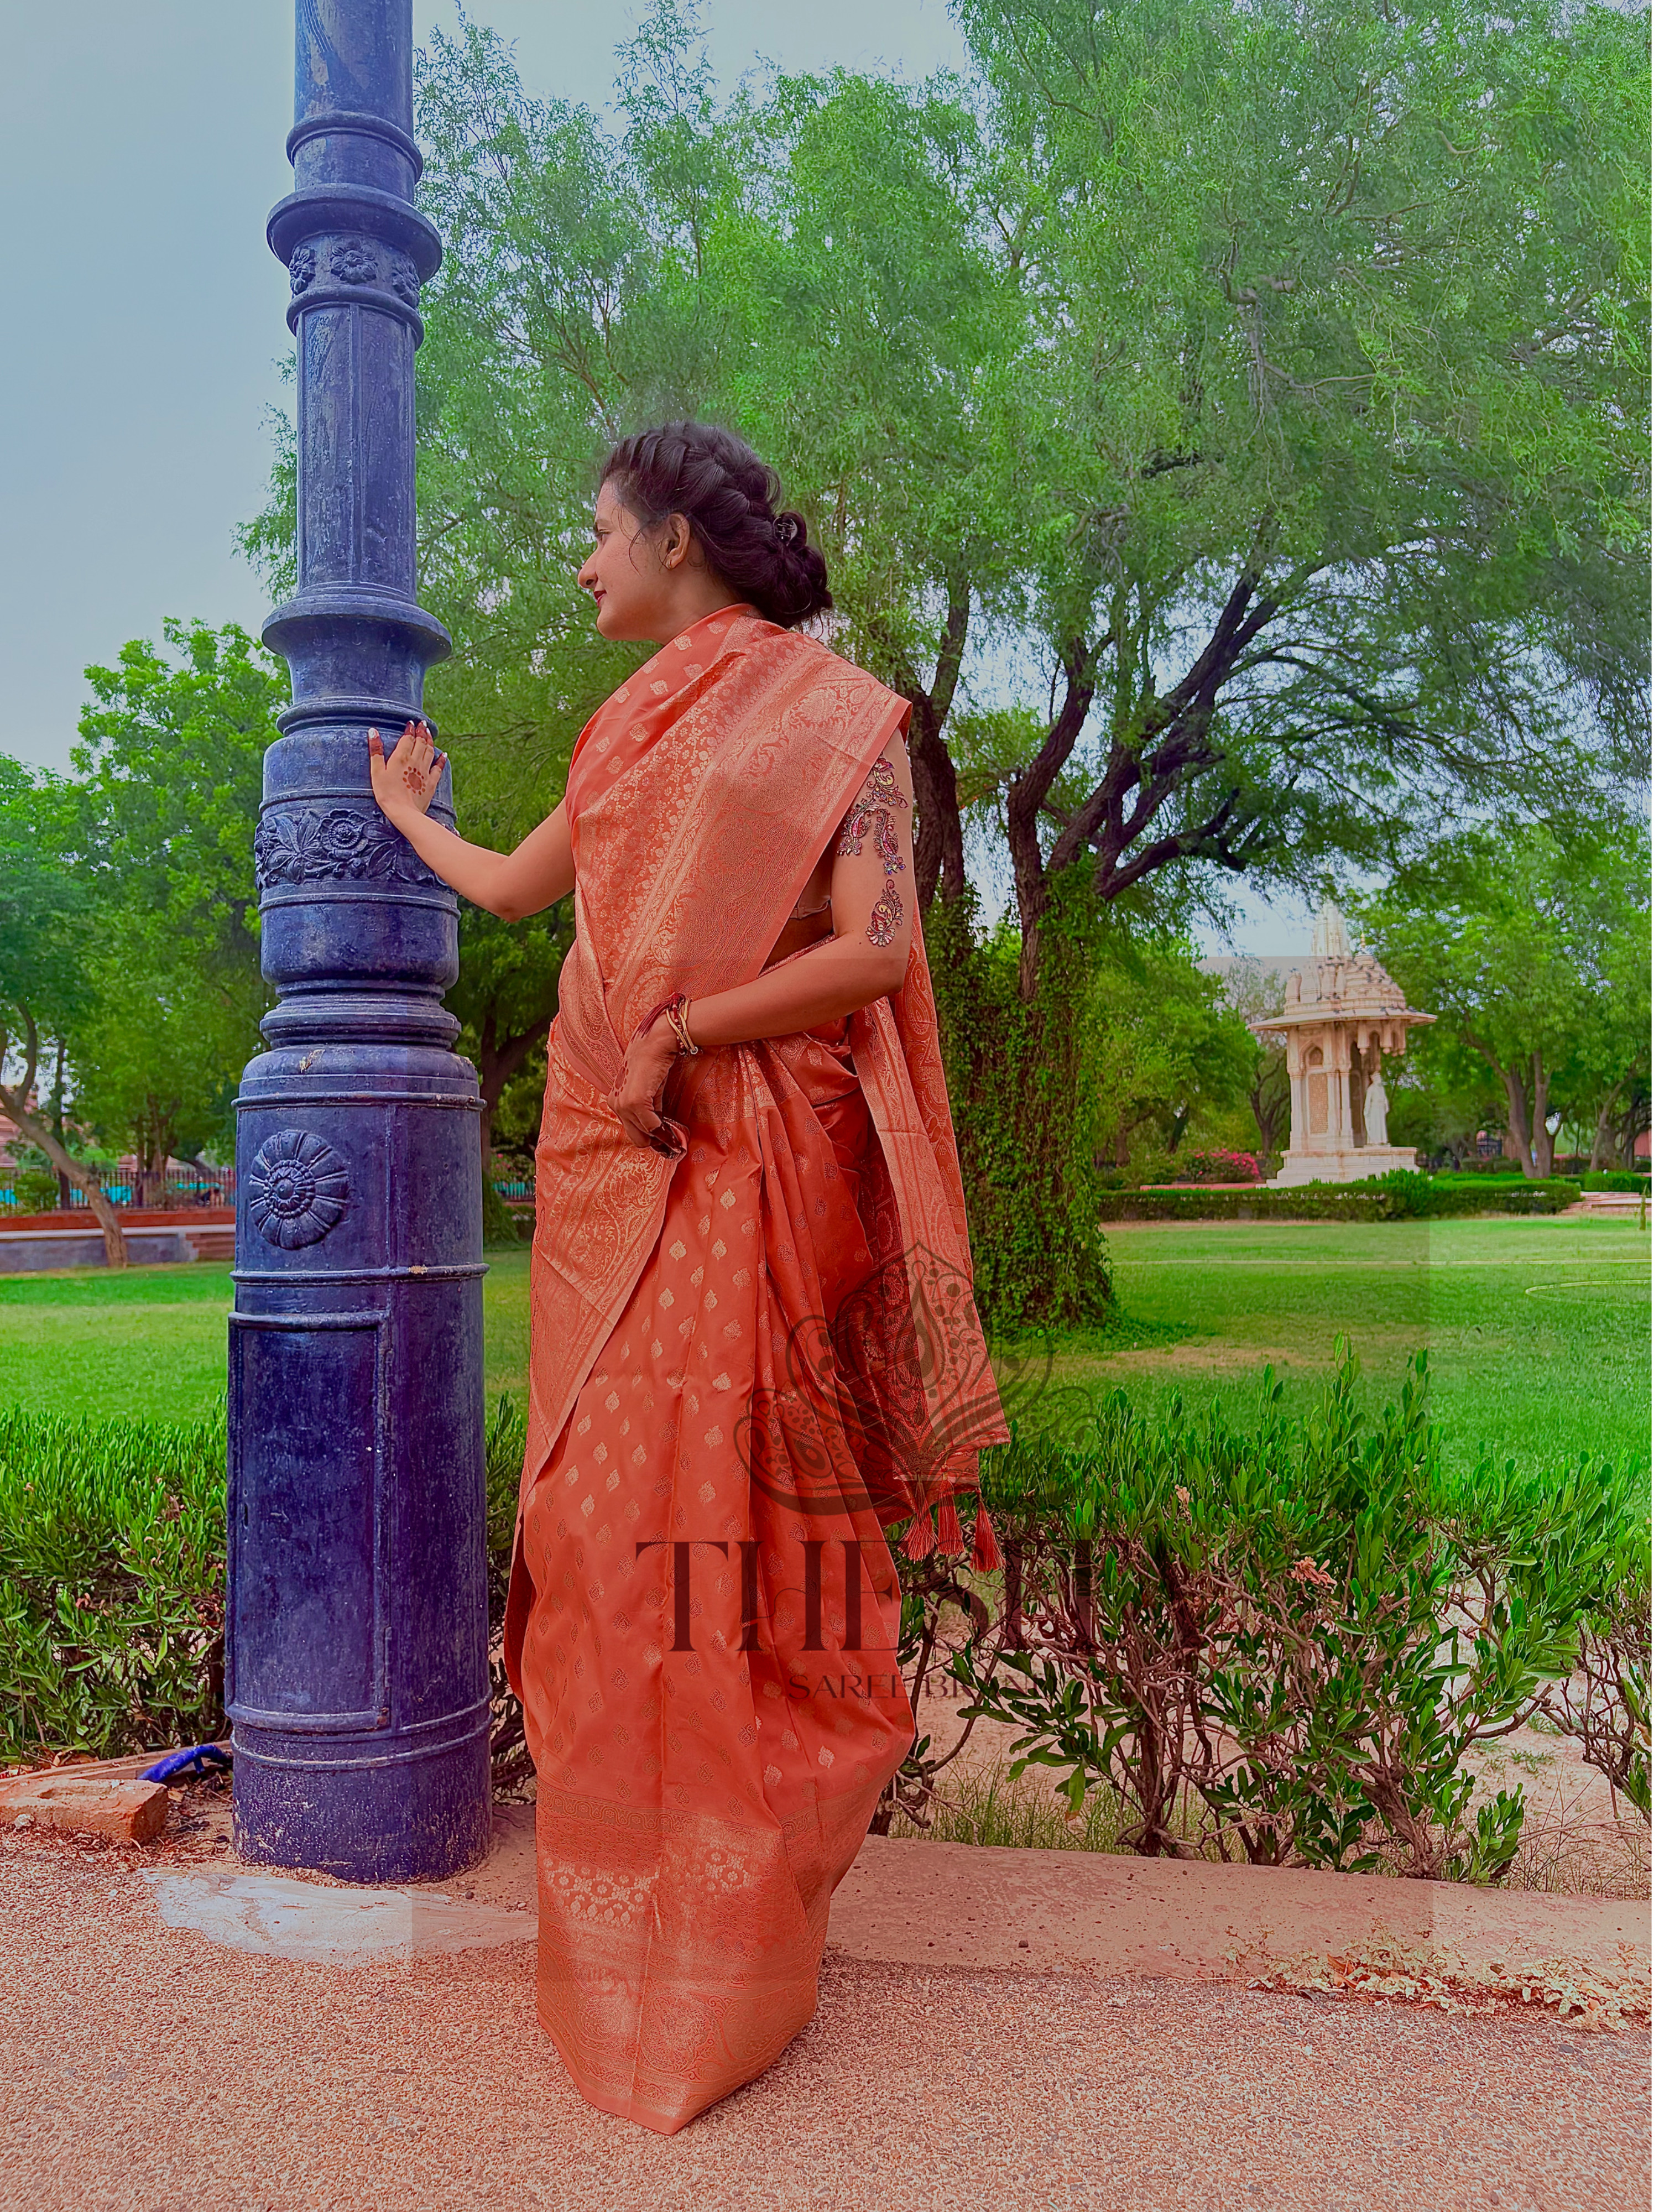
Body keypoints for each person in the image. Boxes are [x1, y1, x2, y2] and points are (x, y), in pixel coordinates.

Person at [366, 420, 1006, 2134]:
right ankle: (627, 1940)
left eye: (595, 533)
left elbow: (874, 949)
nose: (582, 564)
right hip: (611, 1177)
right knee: (597, 1539)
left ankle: (722, 1959)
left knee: (723, 1538)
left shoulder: (827, 714)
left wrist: (685, 1026)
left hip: (748, 1172)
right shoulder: (628, 722)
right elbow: (519, 892)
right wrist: (412, 821)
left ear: (671, 540)